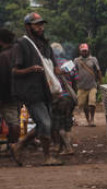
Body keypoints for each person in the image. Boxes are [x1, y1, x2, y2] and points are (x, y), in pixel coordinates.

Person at [10, 12, 61, 165]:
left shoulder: (45, 44)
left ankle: (18, 145)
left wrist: (58, 70)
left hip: (46, 90)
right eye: (36, 24)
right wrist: (30, 69)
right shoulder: (22, 44)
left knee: (45, 123)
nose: (40, 27)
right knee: (45, 124)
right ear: (28, 27)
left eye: (41, 24)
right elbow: (14, 70)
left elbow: (53, 64)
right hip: (31, 92)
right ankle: (47, 157)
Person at [0, 28, 21, 163]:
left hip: (4, 95)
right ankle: (14, 147)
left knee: (12, 122)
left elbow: (2, 78)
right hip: (16, 94)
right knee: (14, 121)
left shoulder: (3, 56)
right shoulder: (18, 53)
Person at [73, 42, 102, 126]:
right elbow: (74, 71)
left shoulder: (93, 59)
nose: (84, 52)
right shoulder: (76, 60)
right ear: (80, 52)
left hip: (92, 85)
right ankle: (88, 120)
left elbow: (98, 71)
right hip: (81, 86)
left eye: (85, 51)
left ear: (88, 51)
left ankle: (92, 119)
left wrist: (101, 82)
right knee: (83, 104)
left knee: (92, 103)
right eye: (82, 51)